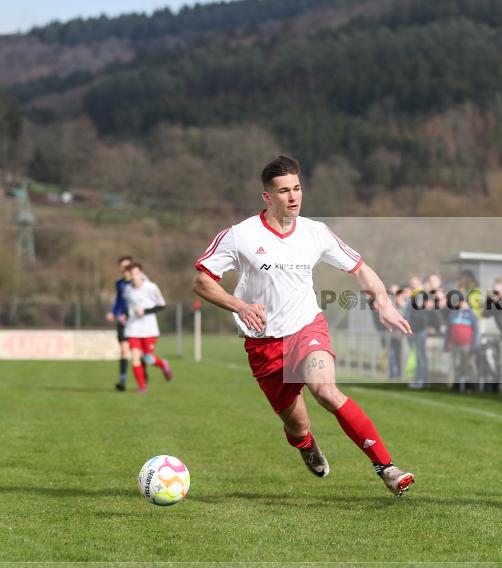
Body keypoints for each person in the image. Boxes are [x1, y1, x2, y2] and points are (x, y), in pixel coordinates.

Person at [192, 155, 415, 495]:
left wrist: (384, 304)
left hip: (306, 328)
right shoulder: (240, 235)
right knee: (297, 426)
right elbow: (202, 281)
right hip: (264, 344)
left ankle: (387, 468)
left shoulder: (316, 232)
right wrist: (240, 305)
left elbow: (359, 269)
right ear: (267, 196)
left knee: (325, 390)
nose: (293, 196)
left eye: (297, 188)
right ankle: (306, 444)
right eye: (284, 191)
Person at [122, 263, 173, 392]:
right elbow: (128, 307)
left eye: (135, 273)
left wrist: (145, 311)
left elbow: (162, 305)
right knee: (135, 358)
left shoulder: (151, 287)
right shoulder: (127, 290)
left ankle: (163, 364)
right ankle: (142, 387)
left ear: (141, 273)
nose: (133, 276)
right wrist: (124, 315)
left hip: (149, 329)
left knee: (147, 358)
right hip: (132, 329)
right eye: (131, 273)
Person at [105, 255, 133, 391]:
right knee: (123, 350)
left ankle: (145, 375)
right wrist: (113, 313)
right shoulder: (119, 283)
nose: (124, 268)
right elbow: (119, 301)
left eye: (127, 266)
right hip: (123, 321)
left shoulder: (140, 281)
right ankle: (122, 380)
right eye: (122, 266)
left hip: (137, 322)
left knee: (140, 354)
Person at [445, 297, 479, 392]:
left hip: (467, 345)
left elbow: (476, 332)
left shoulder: (472, 315)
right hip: (455, 344)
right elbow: (448, 331)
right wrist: (446, 343)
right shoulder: (453, 314)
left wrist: (474, 346)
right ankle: (457, 385)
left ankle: (472, 386)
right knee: (456, 365)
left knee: (469, 365)